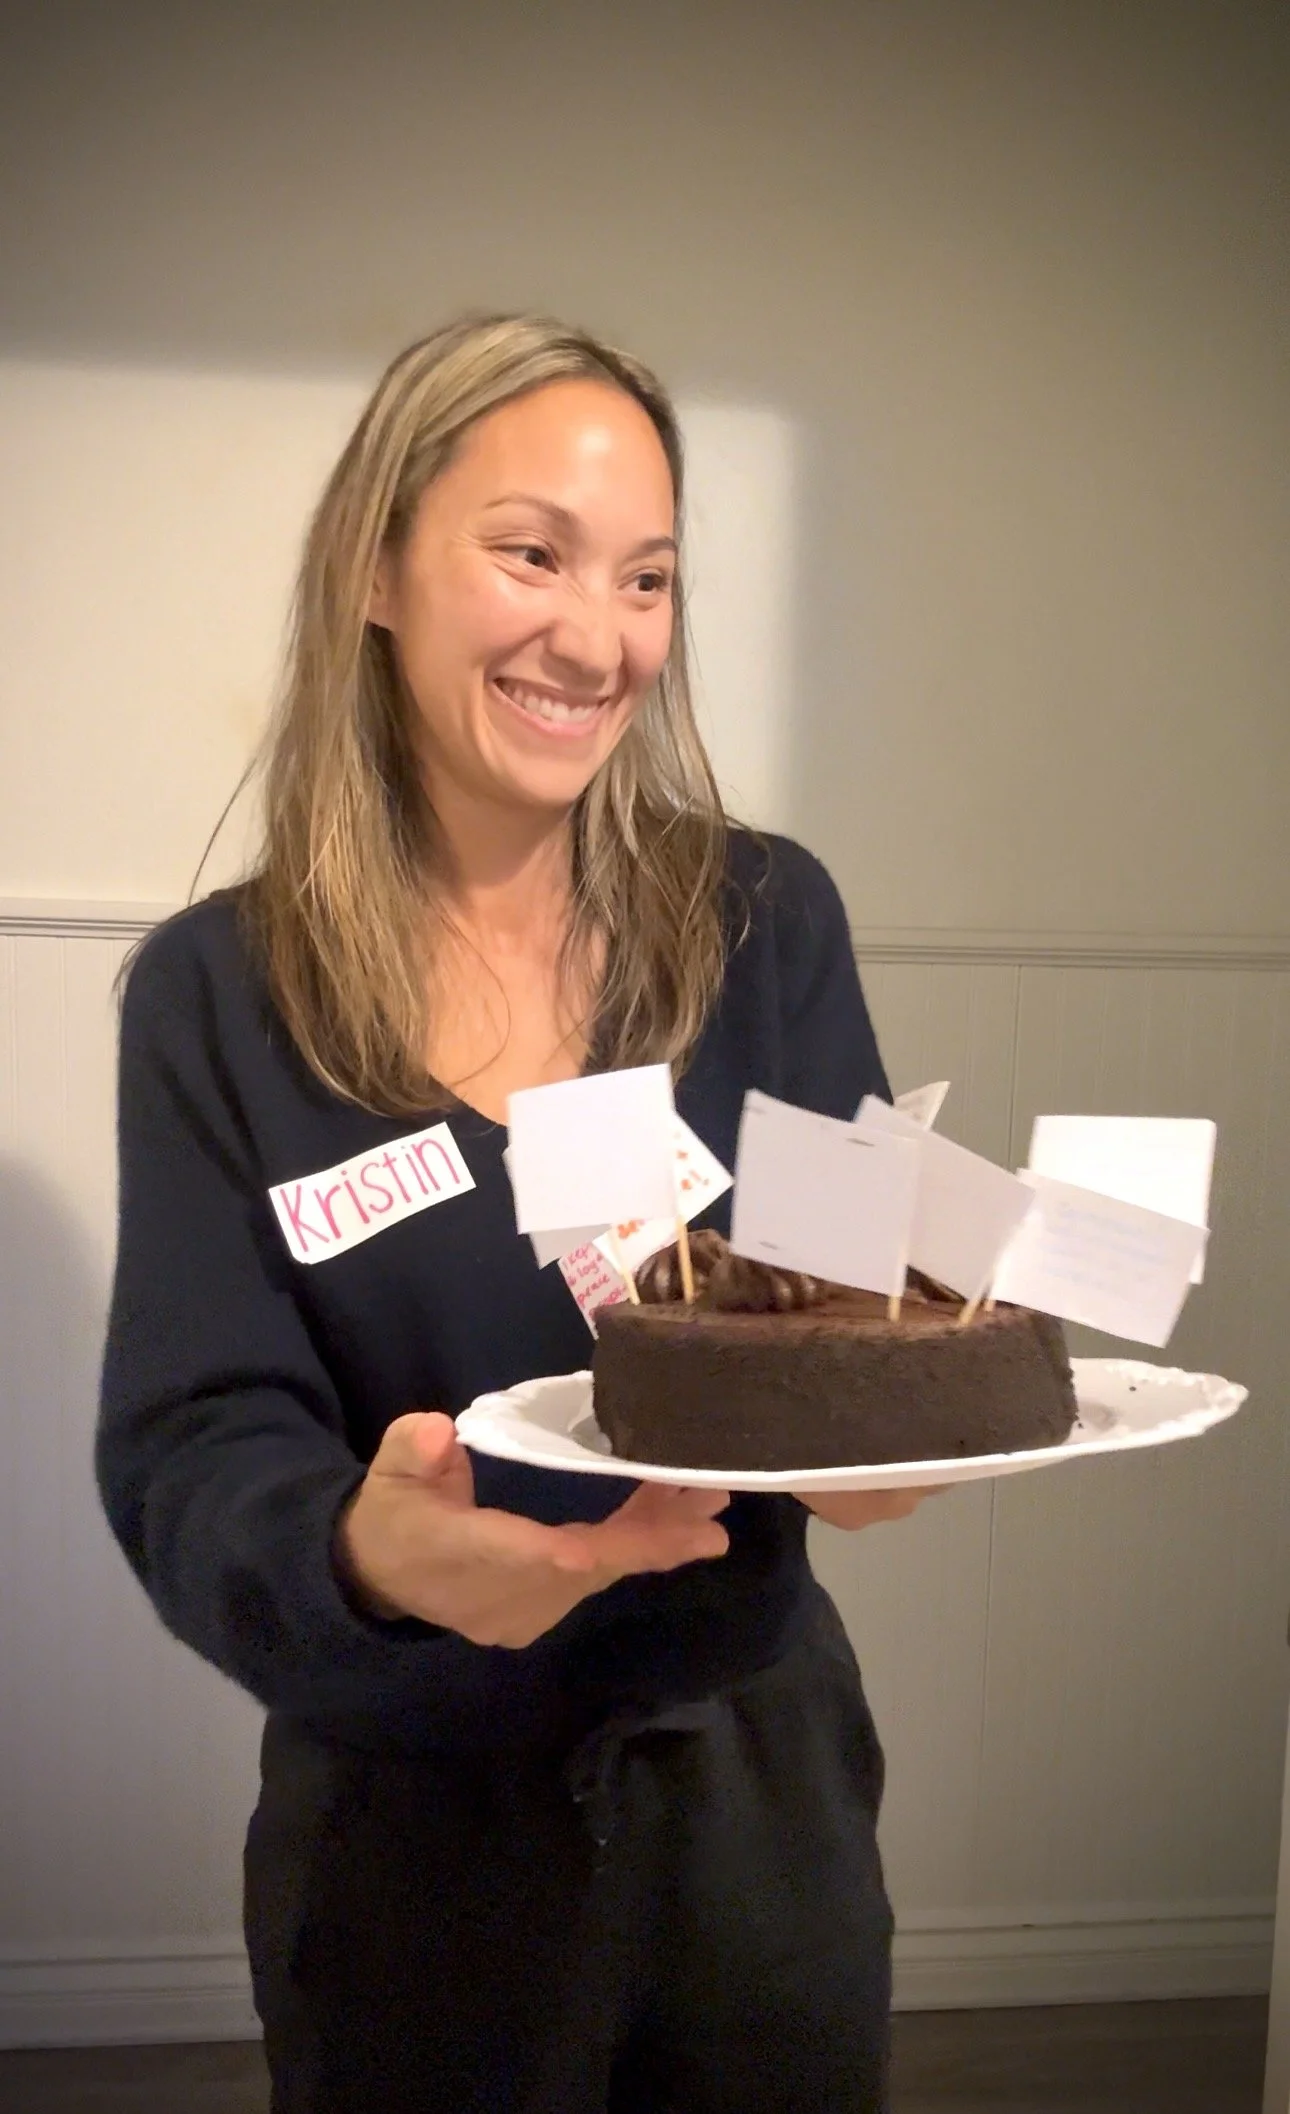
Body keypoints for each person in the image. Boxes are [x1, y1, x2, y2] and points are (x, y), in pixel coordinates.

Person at [96, 313, 940, 2114]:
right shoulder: (217, 996)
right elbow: (191, 1440)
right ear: (375, 568)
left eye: (645, 576)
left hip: (751, 1803)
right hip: (412, 1830)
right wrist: (365, 1552)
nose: (596, 635)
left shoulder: (765, 922)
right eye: (531, 554)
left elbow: (857, 1308)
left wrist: (897, 1415)